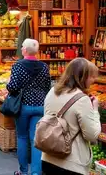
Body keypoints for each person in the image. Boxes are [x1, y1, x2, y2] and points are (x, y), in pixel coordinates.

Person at [41, 58, 101, 175]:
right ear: (82, 77)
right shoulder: (82, 99)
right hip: (71, 162)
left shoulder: (52, 92)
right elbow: (92, 135)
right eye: (91, 77)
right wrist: (94, 110)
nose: (93, 80)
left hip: (48, 157)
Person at [6, 39, 51, 175]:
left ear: (24, 50)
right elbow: (48, 87)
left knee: (22, 137)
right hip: (39, 106)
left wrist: (8, 86)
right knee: (36, 140)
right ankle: (36, 172)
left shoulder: (18, 65)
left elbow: (12, 87)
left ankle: (23, 171)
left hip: (23, 106)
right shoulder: (44, 66)